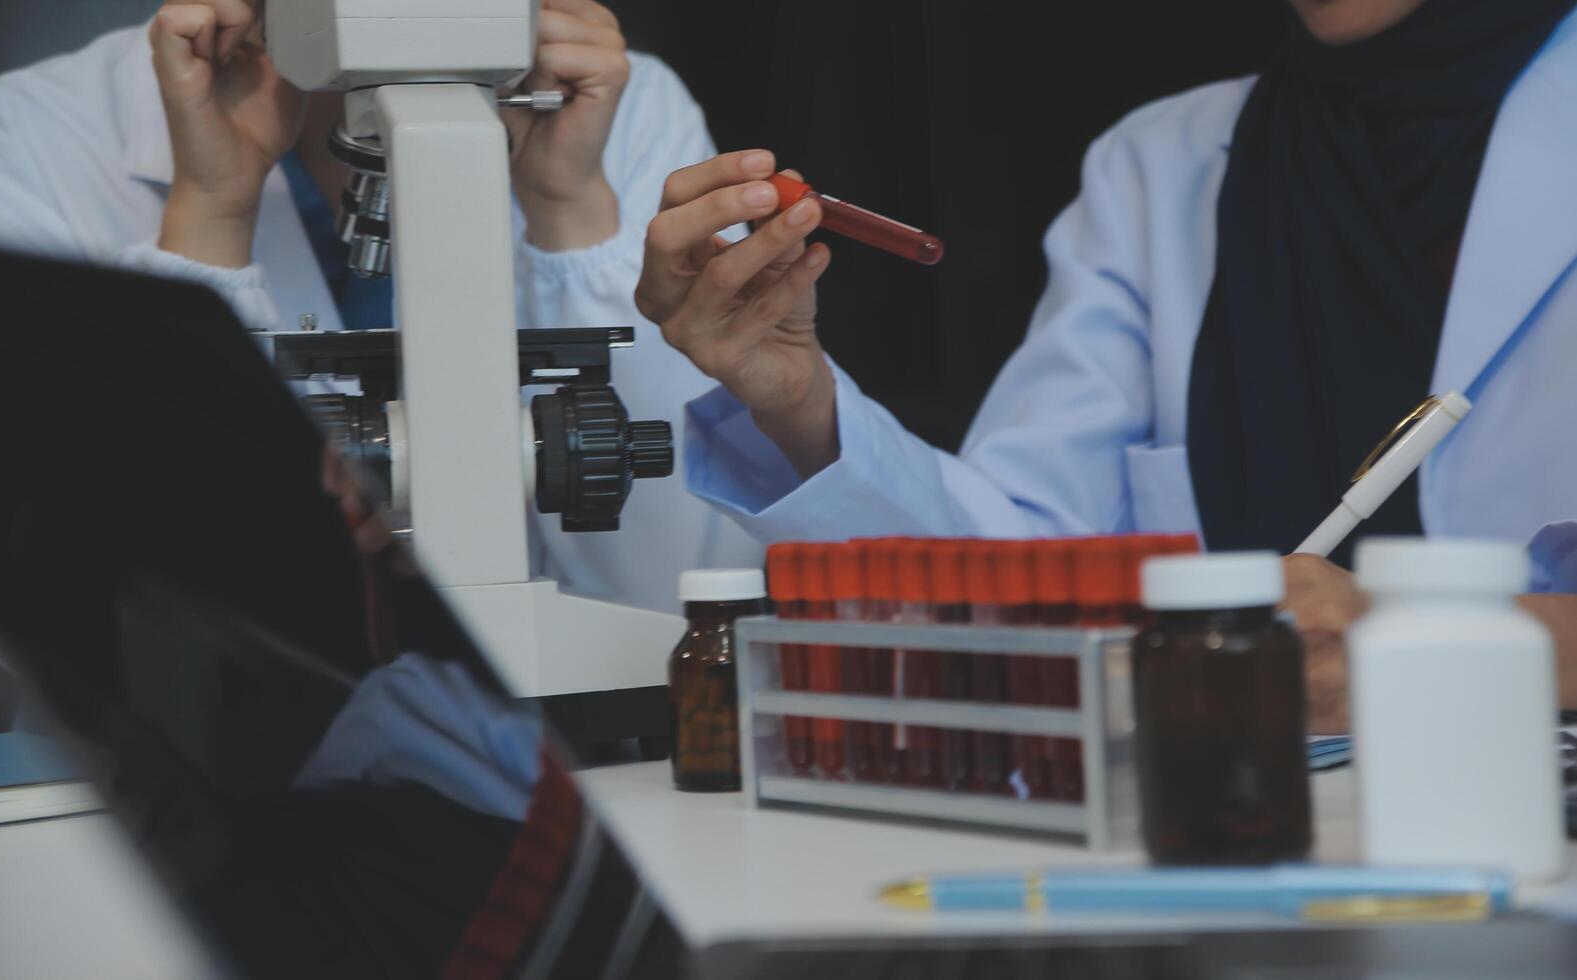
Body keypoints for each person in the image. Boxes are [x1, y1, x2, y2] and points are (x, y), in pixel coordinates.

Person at [633, 0, 1577, 731]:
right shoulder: (1161, 168)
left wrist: (1445, 650)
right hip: (1241, 834)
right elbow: (1026, 574)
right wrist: (799, 401)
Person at [0, 0, 758, 615]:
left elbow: (685, 595)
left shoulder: (625, 102)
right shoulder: (30, 138)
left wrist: (569, 208)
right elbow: (115, 610)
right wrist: (211, 215)